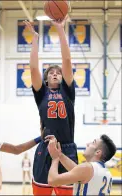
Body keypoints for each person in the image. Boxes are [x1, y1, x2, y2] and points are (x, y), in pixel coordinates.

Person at [23, 17, 78, 196]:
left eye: (58, 73)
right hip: (46, 149)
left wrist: (60, 29)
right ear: (46, 79)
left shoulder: (68, 92)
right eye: (51, 73)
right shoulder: (42, 93)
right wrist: (35, 38)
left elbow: (67, 60)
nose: (55, 74)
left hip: (67, 149)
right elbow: (32, 69)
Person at [48, 134, 116, 195]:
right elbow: (76, 170)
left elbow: (52, 181)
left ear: (98, 152)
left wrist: (55, 158)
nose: (87, 144)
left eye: (93, 142)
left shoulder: (87, 168)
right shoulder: (105, 171)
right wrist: (59, 155)